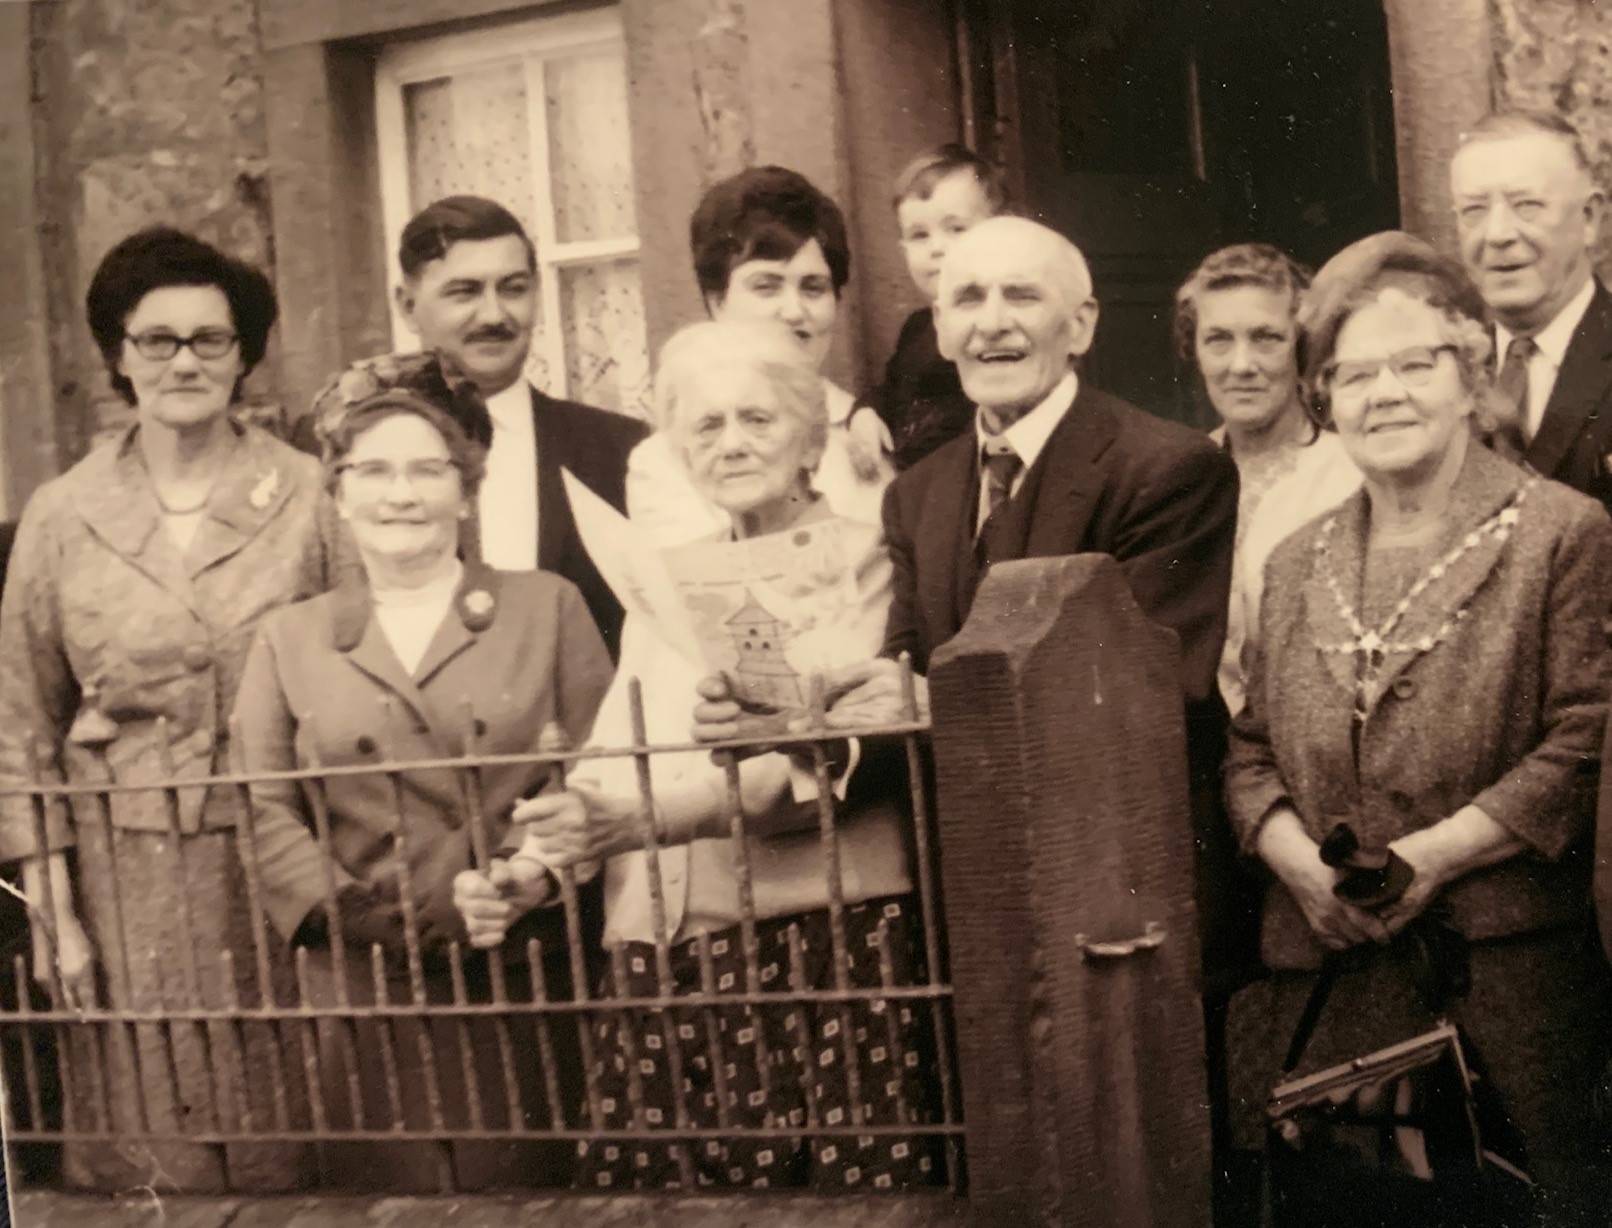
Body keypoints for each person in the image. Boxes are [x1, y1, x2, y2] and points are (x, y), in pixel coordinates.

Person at [455, 319, 935, 1191]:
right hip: (659, 948)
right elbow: (619, 743)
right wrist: (537, 865)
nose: (730, 443)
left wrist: (641, 821)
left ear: (812, 441)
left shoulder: (867, 561)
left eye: (757, 418)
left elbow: (822, 769)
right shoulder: (673, 572)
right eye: (706, 426)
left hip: (818, 942)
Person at [1223, 231, 1612, 1223]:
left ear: (1472, 374)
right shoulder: (1293, 559)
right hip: (1329, 986)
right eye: (1353, 375)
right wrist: (1300, 868)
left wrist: (1431, 858)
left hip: (1499, 989)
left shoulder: (1562, 534)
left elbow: (1584, 741)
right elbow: (1250, 749)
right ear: (1323, 397)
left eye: (1413, 364)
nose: (1383, 394)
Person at [0, 226, 335, 1191]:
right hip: (122, 878)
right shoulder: (63, 514)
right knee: (151, 1146)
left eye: (209, 340)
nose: (184, 363)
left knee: (297, 1141)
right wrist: (55, 916)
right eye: (157, 340)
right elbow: (22, 727)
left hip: (278, 857)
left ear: (243, 355)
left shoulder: (308, 494)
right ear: (120, 354)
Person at [232, 356, 613, 1190]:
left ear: (466, 491)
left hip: (518, 966)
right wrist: (359, 917)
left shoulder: (546, 606)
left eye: (427, 470)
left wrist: (525, 878)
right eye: (372, 471)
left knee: (524, 1192)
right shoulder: (289, 638)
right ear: (338, 495)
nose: (399, 494)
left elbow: (596, 771)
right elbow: (264, 807)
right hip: (364, 979)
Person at [302, 195, 647, 659]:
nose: (493, 315)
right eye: (464, 292)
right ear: (407, 306)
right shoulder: (333, 452)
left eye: (513, 289)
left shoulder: (621, 452)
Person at [626, 167, 892, 544]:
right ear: (717, 303)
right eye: (767, 286)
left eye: (813, 288)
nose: (794, 311)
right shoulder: (667, 460)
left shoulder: (876, 434)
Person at [1173, 243, 1360, 716]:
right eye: (1218, 340)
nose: (1241, 365)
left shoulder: (1353, 474)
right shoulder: (1175, 474)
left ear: (1301, 347)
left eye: (1266, 338)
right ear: (1195, 350)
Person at [1449, 109, 1612, 517]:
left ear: (1589, 219)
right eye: (1474, 211)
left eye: (1527, 206)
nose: (1497, 234)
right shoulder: (1444, 368)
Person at [849, 143, 1004, 471]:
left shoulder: (1000, 327)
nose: (937, 248)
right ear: (903, 249)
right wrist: (866, 413)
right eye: (919, 235)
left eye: (956, 229)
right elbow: (890, 392)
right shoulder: (918, 328)